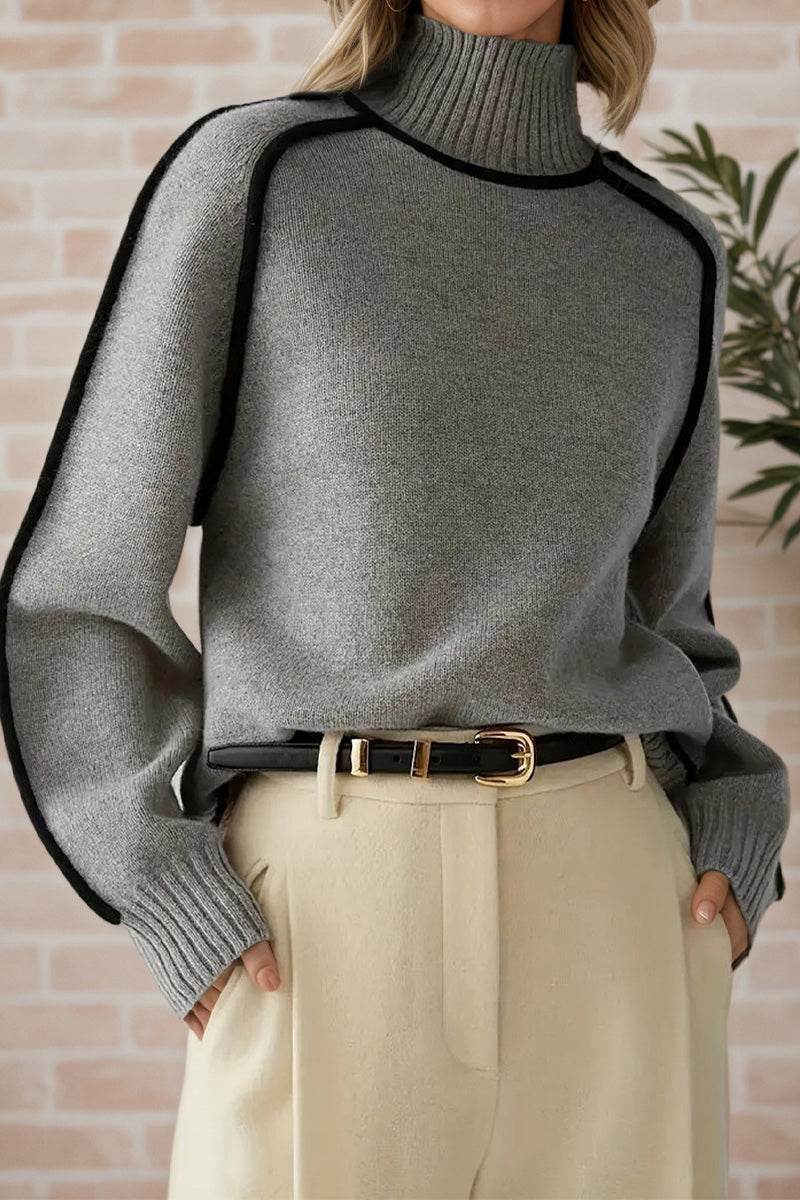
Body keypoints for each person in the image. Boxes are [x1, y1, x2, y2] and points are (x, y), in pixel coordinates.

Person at [0, 0, 791, 1196]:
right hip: (324, 908)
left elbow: (669, 615)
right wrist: (163, 883)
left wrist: (733, 819)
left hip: (615, 904)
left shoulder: (664, 249)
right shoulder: (261, 177)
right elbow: (77, 590)